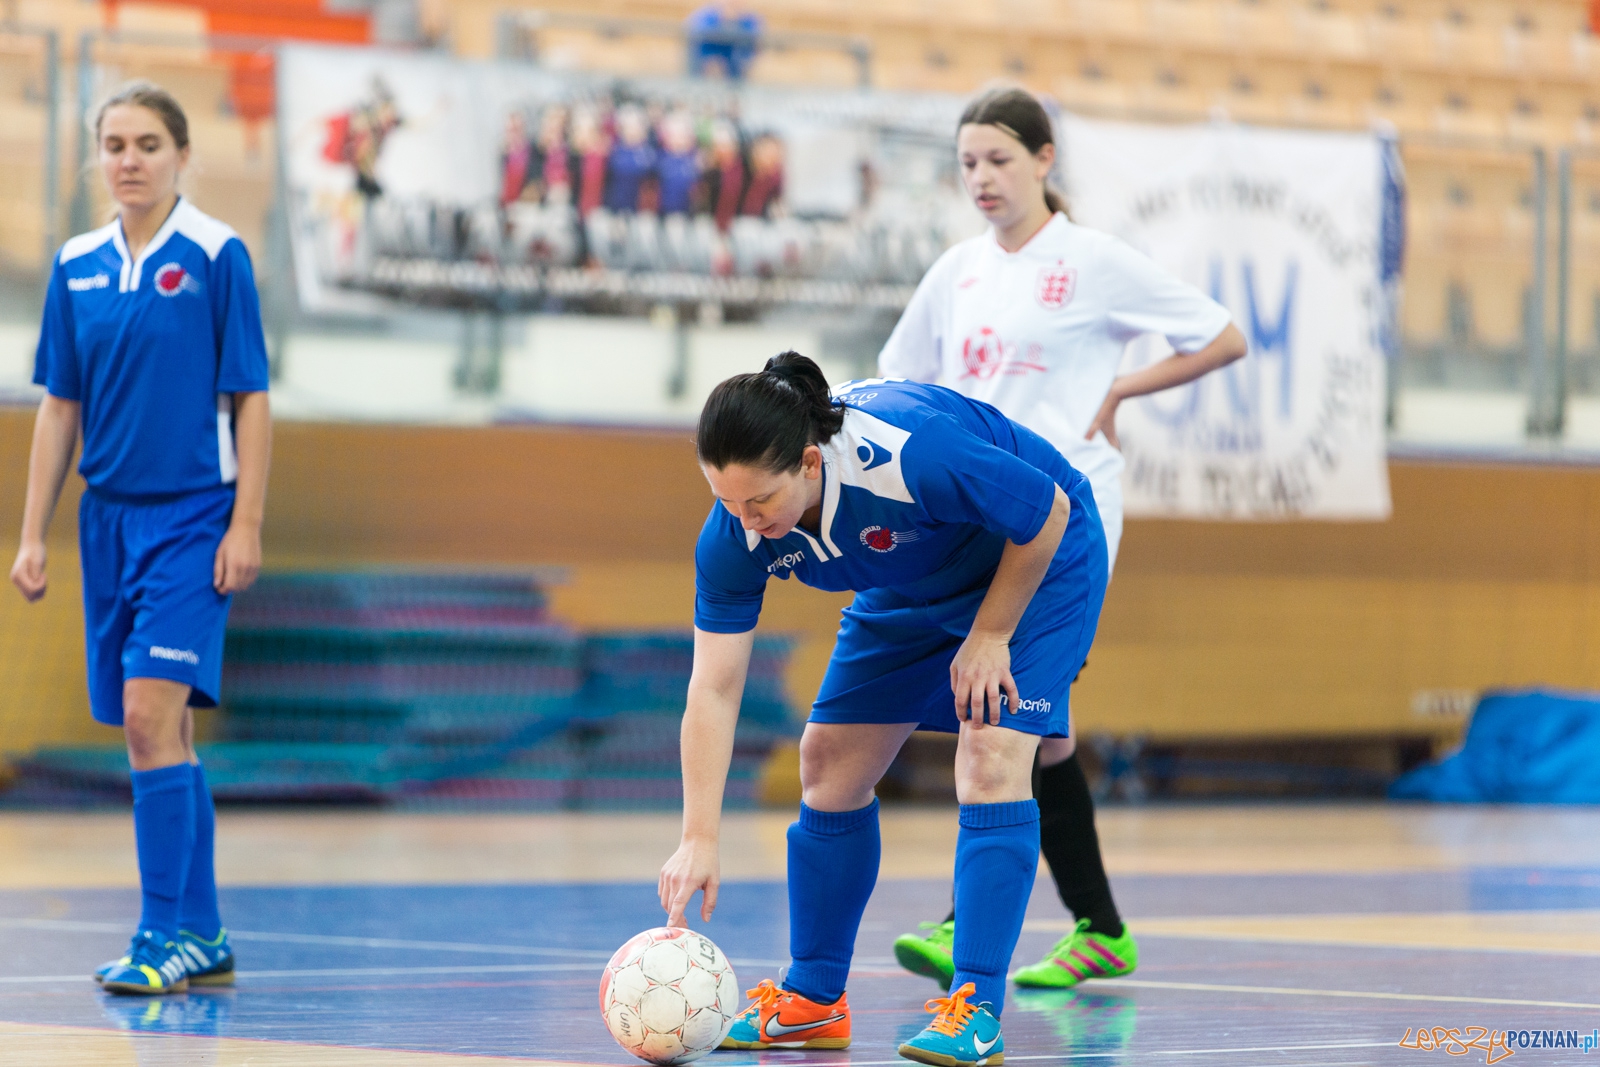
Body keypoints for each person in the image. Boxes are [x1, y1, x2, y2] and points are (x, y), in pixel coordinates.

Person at [881, 87, 1247, 990]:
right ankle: (1100, 929)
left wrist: (1121, 393)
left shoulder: (1092, 261)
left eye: (999, 161)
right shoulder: (958, 269)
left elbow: (1223, 337)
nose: (982, 179)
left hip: (1069, 514)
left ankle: (972, 917)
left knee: (1005, 706)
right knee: (1039, 730)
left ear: (1046, 160)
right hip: (982, 520)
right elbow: (898, 379)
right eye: (968, 163)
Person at [658, 351, 1108, 1065]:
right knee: (828, 763)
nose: (744, 521)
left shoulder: (908, 452)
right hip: (909, 584)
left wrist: (990, 635)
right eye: (725, 500)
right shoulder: (733, 537)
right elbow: (712, 687)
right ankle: (813, 997)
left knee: (990, 754)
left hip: (1036, 559)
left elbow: (1047, 510)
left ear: (810, 463)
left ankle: (977, 1007)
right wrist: (698, 835)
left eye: (759, 502)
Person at [9, 82, 272, 995]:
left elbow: (253, 398)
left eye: (149, 143)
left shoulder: (214, 254)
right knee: (162, 735)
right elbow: (59, 405)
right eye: (115, 143)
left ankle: (163, 932)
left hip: (195, 518)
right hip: (106, 521)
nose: (130, 158)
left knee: (149, 718)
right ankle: (202, 931)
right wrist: (32, 532)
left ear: (181, 155)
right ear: (97, 156)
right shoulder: (75, 265)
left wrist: (246, 522)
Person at [686, 1, 763, 81]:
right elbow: (692, 35)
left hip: (734, 74)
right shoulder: (706, 17)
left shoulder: (750, 22)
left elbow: (755, 45)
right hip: (703, 68)